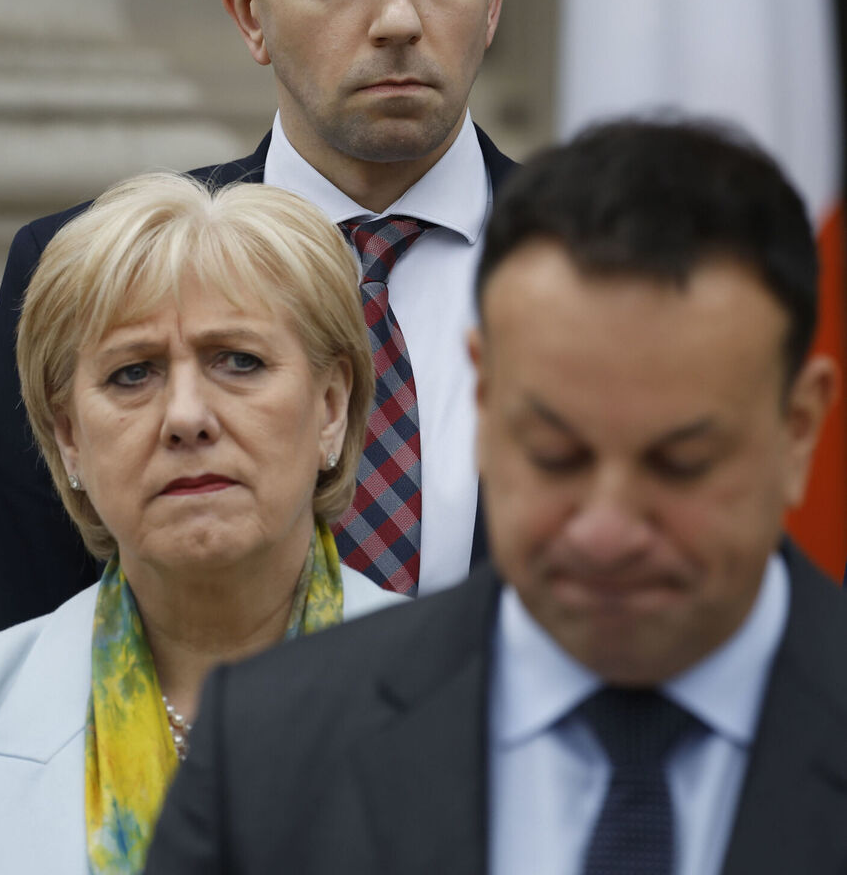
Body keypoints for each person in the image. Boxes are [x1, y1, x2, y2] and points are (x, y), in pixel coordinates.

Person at [144, 117, 847, 875]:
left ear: (800, 429)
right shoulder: (269, 749)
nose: (606, 530)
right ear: (482, 397)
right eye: (554, 455)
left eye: (680, 464)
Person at [0, 0, 516, 638]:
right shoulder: (80, 270)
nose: (398, 17)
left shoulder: (616, 271)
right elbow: (13, 636)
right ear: (247, 10)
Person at [0, 172, 402, 875]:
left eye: (239, 361)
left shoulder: (474, 709)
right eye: (132, 373)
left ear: (329, 408)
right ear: (70, 437)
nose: (185, 417)